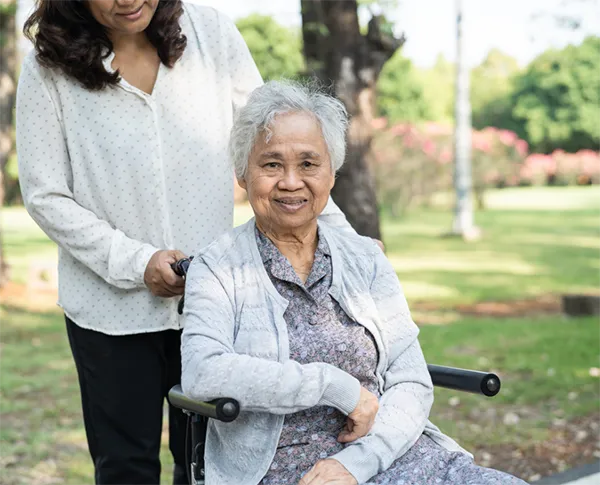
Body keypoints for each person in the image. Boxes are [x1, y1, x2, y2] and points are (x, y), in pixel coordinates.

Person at [15, 1, 354, 483]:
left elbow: (280, 144)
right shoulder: (47, 66)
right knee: (124, 467)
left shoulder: (212, 33)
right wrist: (137, 263)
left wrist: (344, 240)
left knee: (210, 465)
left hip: (218, 304)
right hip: (108, 313)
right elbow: (46, 195)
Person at [180, 80, 529, 485]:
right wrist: (332, 385)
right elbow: (204, 373)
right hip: (286, 470)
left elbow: (410, 379)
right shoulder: (218, 266)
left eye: (309, 164)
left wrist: (357, 464)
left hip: (389, 454)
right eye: (271, 164)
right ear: (243, 175)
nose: (291, 182)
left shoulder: (365, 259)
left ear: (331, 173)